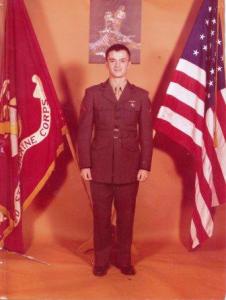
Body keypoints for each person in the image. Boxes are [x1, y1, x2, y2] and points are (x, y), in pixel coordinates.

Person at [77, 44, 153, 276]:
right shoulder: (93, 93)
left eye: (122, 60)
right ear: (106, 63)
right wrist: (85, 164)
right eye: (113, 60)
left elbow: (146, 134)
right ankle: (100, 261)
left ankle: (124, 259)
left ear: (129, 63)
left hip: (130, 167)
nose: (118, 64)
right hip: (98, 165)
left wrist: (144, 165)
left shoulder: (140, 96)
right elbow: (83, 131)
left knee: (126, 216)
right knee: (100, 216)